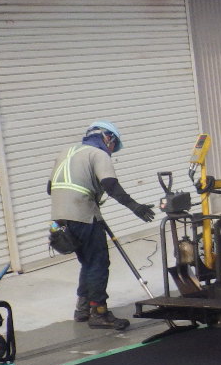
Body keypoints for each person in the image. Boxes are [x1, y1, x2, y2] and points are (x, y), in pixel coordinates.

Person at [47, 121, 156, 330]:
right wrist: (136, 207)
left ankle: (82, 309)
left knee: (87, 262)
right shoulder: (98, 154)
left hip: (60, 219)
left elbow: (50, 188)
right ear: (108, 138)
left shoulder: (65, 152)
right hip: (83, 215)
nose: (112, 151)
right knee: (98, 262)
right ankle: (99, 312)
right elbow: (111, 185)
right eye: (114, 146)